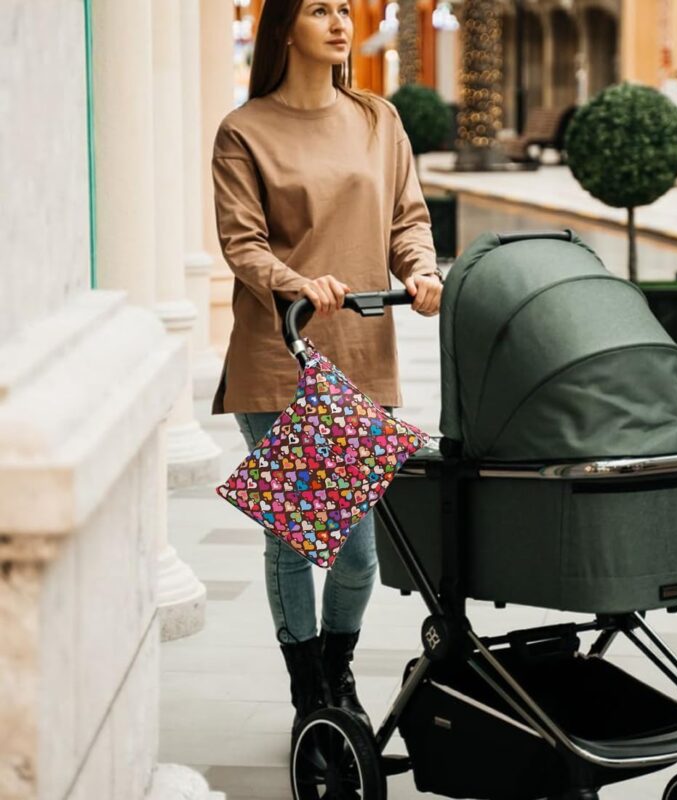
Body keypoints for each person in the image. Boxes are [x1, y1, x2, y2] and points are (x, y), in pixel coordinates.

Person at [211, 0, 443, 742]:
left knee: (358, 554)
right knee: (295, 538)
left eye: (346, 8)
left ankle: (335, 672)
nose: (341, 22)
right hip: (282, 357)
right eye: (321, 9)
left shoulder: (380, 121)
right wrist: (294, 281)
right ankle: (309, 687)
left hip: (364, 357)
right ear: (285, 28)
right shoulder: (245, 131)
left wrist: (423, 272)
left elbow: (408, 217)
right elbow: (242, 243)